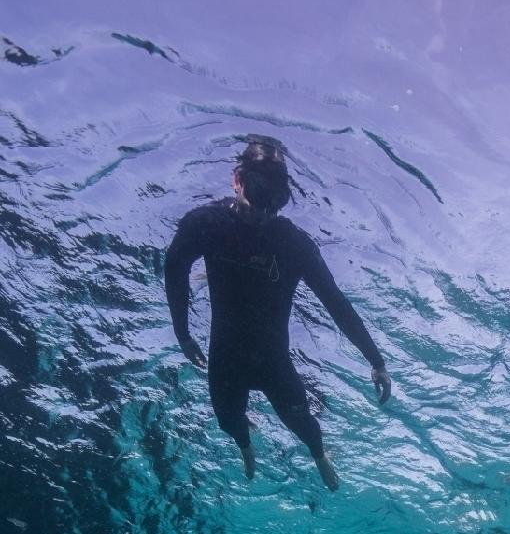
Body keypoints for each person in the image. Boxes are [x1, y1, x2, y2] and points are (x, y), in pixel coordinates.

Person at [163, 135, 391, 489]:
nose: (263, 214)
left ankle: (319, 455)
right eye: (258, 200)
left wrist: (376, 361)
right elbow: (174, 269)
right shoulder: (206, 225)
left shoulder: (292, 243)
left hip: (273, 360)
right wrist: (182, 333)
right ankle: (245, 447)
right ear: (237, 180)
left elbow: (336, 303)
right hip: (226, 356)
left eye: (275, 205)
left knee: (303, 426)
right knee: (229, 421)